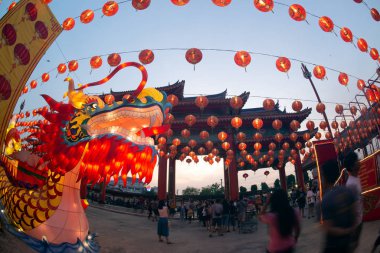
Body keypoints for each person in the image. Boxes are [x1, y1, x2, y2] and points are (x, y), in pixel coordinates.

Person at [320, 159, 356, 253]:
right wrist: (350, 231)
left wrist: (345, 231)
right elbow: (354, 214)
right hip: (347, 243)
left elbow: (329, 228)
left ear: (325, 177)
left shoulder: (326, 199)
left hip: (333, 246)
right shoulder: (347, 191)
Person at [259, 189, 301, 253]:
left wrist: (267, 202)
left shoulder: (272, 217)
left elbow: (260, 216)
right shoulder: (294, 212)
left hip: (274, 249)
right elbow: (297, 229)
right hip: (289, 247)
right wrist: (295, 238)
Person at [344, 151, 363, 252]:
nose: (359, 162)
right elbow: (350, 208)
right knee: (351, 247)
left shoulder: (357, 177)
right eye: (356, 161)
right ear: (352, 166)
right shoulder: (351, 184)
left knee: (354, 245)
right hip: (354, 224)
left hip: (359, 220)